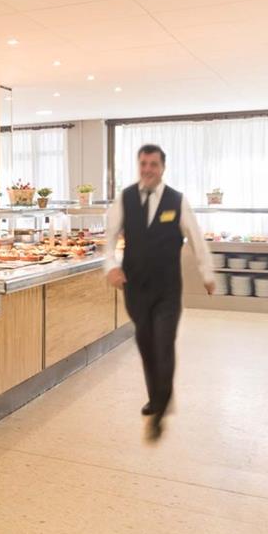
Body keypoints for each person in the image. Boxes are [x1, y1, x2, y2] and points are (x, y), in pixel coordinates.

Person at [104, 144, 215, 441]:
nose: (148, 169)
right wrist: (111, 266)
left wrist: (207, 274)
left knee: (163, 343)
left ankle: (161, 410)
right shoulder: (125, 198)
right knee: (146, 344)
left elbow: (196, 239)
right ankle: (156, 397)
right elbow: (110, 237)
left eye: (153, 164)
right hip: (135, 288)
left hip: (167, 289)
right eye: (143, 164)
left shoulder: (177, 200)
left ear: (163, 167)